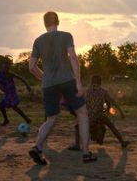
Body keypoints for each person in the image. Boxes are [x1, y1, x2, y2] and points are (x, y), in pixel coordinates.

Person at [28, 11, 94, 164]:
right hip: (67, 80)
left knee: (51, 118)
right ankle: (86, 153)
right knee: (82, 113)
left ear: (44, 24)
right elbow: (73, 58)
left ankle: (37, 147)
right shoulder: (66, 36)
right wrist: (78, 82)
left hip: (48, 84)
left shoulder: (38, 41)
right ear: (58, 22)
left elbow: (31, 67)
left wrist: (44, 77)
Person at [68, 74, 130, 150]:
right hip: (100, 115)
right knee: (111, 126)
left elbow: (80, 103)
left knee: (77, 127)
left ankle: (77, 144)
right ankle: (122, 142)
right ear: (100, 82)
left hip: (88, 116)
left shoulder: (86, 91)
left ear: (91, 82)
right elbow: (113, 102)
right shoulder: (103, 92)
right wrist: (121, 112)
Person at [0, 60, 32, 126]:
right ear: (2, 67)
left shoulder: (10, 74)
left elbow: (21, 78)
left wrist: (28, 86)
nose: (5, 69)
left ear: (8, 68)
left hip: (12, 93)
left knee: (14, 107)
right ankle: (6, 120)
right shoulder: (0, 74)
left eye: (6, 68)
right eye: (4, 67)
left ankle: (27, 119)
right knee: (1, 105)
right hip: (6, 93)